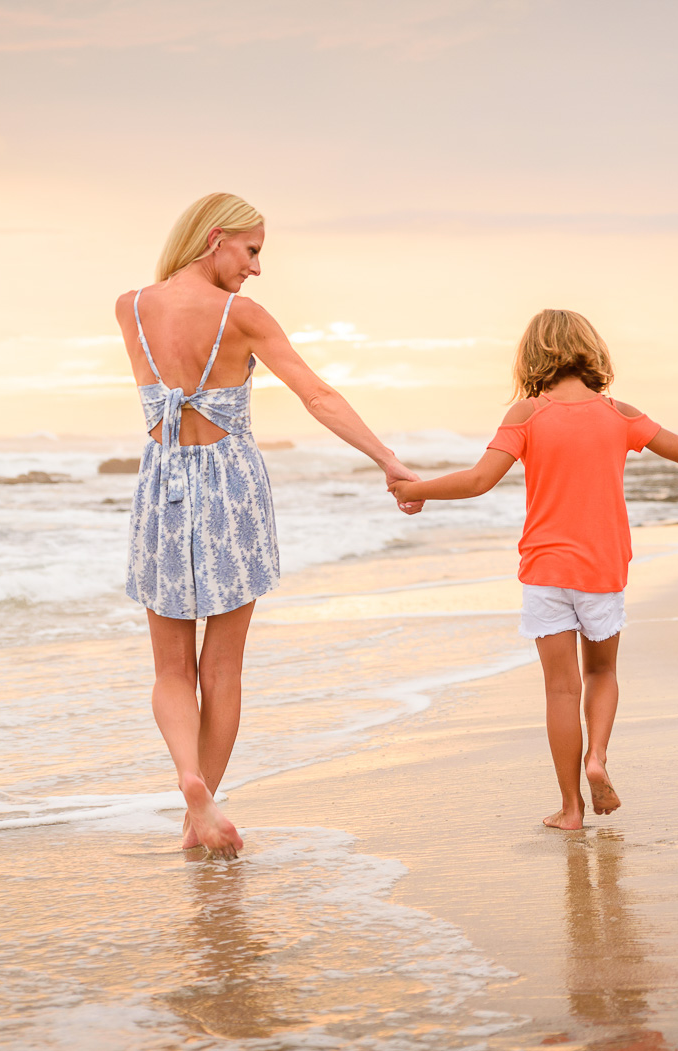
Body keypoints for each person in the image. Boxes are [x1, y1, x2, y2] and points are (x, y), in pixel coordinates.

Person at [117, 193, 422, 856]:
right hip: (229, 485)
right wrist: (387, 459)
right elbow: (317, 395)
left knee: (171, 669)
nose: (256, 268)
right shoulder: (241, 316)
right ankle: (200, 811)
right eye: (252, 251)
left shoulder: (131, 306)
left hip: (162, 484)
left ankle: (189, 781)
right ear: (216, 237)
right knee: (221, 667)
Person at [390, 310, 678, 828]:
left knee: (560, 689)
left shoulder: (525, 416)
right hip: (602, 566)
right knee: (602, 672)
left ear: (532, 356)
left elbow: (479, 480)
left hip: (546, 568)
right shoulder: (618, 414)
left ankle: (571, 809)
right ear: (591, 352)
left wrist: (413, 490)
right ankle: (598, 756)